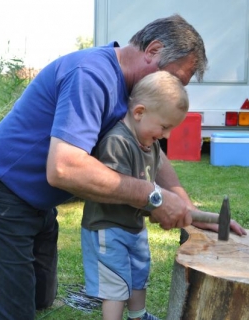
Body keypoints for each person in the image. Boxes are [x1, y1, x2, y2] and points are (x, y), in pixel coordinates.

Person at [0, 14, 246, 320]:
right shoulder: (92, 75)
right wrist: (152, 197)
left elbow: (151, 152)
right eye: (176, 78)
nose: (174, 89)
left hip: (32, 204)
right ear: (152, 51)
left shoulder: (132, 91)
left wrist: (184, 203)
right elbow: (65, 169)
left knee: (39, 298)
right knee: (6, 313)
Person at [81, 70, 189, 320]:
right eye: (164, 126)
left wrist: (177, 205)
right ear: (139, 113)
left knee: (139, 273)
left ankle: (138, 315)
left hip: (133, 227)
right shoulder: (117, 142)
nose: (167, 135)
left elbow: (156, 180)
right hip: (107, 228)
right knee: (116, 283)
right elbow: (116, 188)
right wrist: (156, 206)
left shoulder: (150, 144)